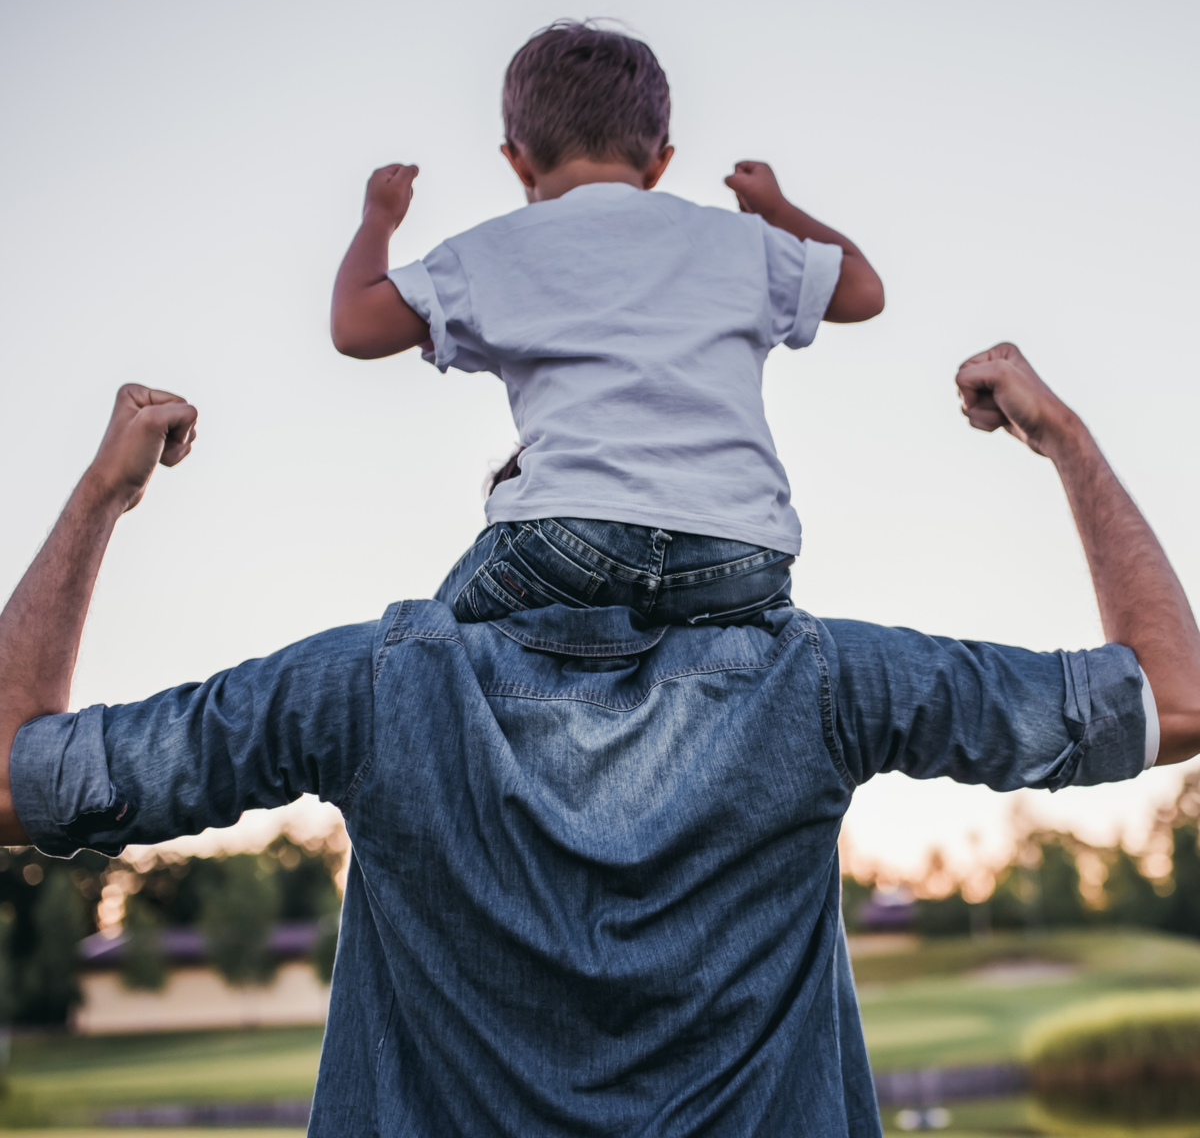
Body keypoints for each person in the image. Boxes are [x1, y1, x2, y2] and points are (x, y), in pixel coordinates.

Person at [2, 345, 1199, 1137]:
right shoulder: (819, 680)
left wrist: (102, 495)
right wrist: (1069, 442)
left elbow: (15, 778)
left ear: (508, 516)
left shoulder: (367, 689)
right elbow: (1175, 699)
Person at [330, 21, 885, 628]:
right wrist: (776, 210)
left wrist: (378, 218)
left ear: (517, 162)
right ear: (660, 162)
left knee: (426, 646)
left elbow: (355, 325)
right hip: (742, 553)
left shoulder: (496, 249)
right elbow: (864, 290)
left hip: (571, 540)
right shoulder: (740, 242)